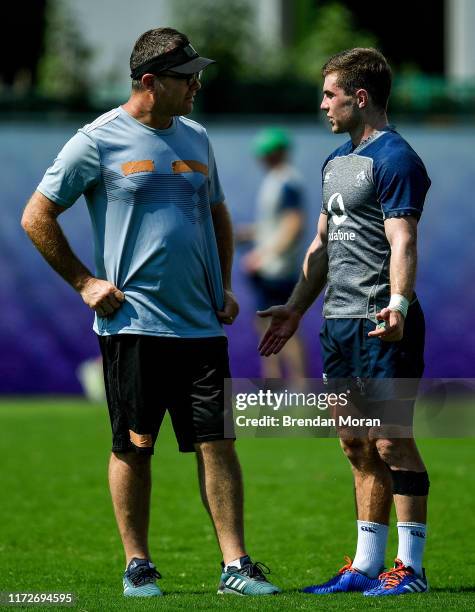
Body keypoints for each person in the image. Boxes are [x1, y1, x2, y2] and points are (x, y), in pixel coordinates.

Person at [21, 27, 280, 598]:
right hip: (133, 326)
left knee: (218, 443)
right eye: (186, 78)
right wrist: (85, 282)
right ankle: (138, 564)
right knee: (134, 446)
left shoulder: (196, 137)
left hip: (202, 326)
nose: (197, 86)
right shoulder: (95, 141)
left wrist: (225, 284)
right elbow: (36, 216)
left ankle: (235, 565)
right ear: (149, 82)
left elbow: (217, 214)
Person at [258, 48, 431, 597]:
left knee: (390, 443)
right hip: (338, 323)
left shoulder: (397, 158)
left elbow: (402, 238)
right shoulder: (335, 162)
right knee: (355, 443)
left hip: (382, 321)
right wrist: (294, 307)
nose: (323, 104)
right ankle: (364, 565)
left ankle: (412, 569)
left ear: (361, 97)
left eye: (331, 94)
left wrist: (399, 304)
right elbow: (321, 245)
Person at [237, 128, 306, 382]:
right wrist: (251, 234)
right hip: (269, 269)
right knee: (266, 325)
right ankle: (273, 381)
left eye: (267, 152)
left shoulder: (287, 181)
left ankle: (299, 387)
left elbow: (293, 226)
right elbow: (275, 225)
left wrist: (263, 255)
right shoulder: (276, 180)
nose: (262, 158)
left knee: (283, 327)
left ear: (279, 153)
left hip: (278, 269)